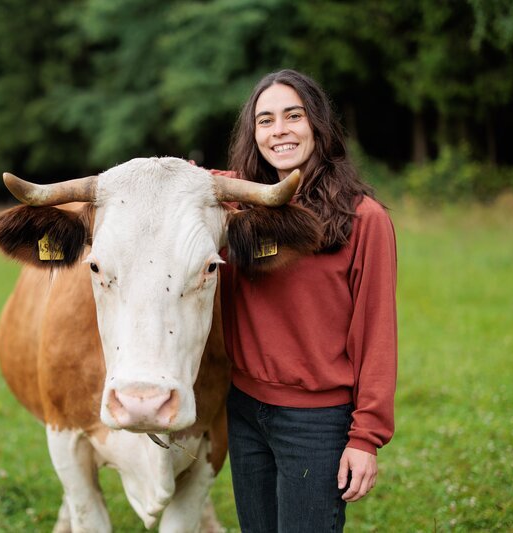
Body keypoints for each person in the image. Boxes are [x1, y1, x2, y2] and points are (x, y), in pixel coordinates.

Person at [215, 69, 397, 532]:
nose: (279, 131)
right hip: (244, 409)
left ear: (317, 123)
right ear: (253, 134)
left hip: (316, 422)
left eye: (293, 116)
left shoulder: (363, 219)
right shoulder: (240, 211)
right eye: (265, 120)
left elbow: (377, 334)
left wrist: (365, 438)